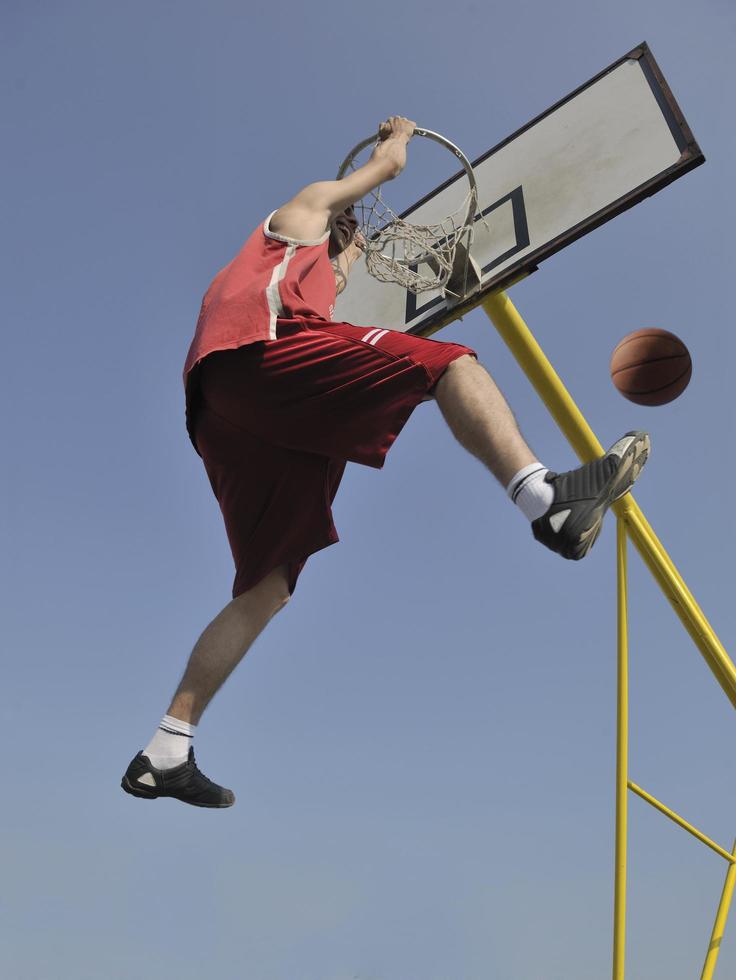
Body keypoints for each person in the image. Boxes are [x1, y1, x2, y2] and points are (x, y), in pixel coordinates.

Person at [121, 116, 650, 808]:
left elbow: (327, 296)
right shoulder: (298, 214)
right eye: (348, 237)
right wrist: (393, 142)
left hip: (224, 415)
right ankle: (543, 499)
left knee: (269, 584)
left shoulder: (303, 278)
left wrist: (349, 273)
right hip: (259, 359)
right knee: (449, 364)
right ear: (335, 220)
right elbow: (388, 174)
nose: (349, 250)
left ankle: (167, 747)